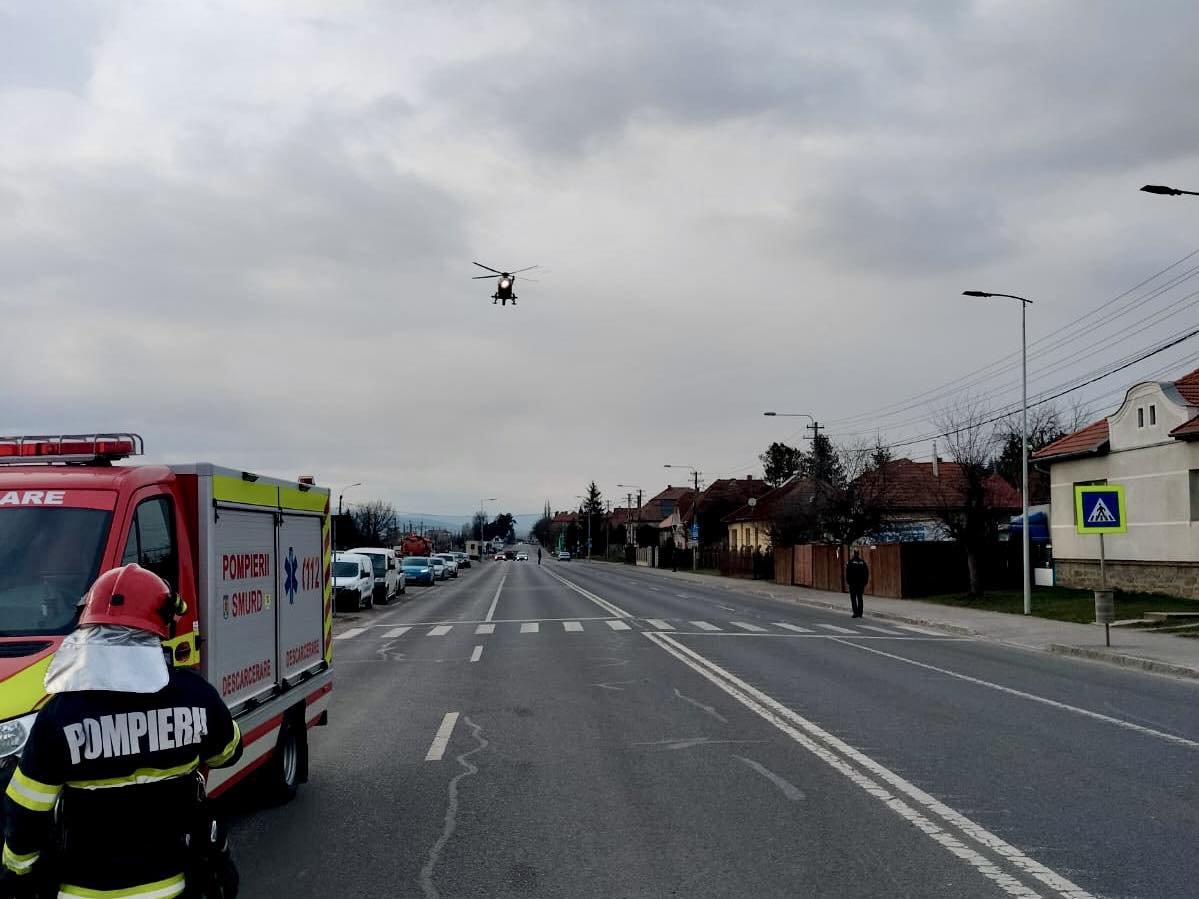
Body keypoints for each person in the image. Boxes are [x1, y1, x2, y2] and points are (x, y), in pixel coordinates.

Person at [1, 564, 243, 899]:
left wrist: (19, 871)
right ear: (162, 628)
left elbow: (26, 811)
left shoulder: (59, 714)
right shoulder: (194, 694)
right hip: (174, 887)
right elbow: (230, 751)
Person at [845, 549, 869, 618]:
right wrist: (865, 582)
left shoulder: (850, 562)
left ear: (853, 554)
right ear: (858, 554)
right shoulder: (862, 562)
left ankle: (855, 613)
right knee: (860, 598)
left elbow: (847, 572)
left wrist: (848, 582)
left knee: (853, 598)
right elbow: (866, 572)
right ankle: (860, 613)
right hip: (861, 584)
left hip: (852, 583)